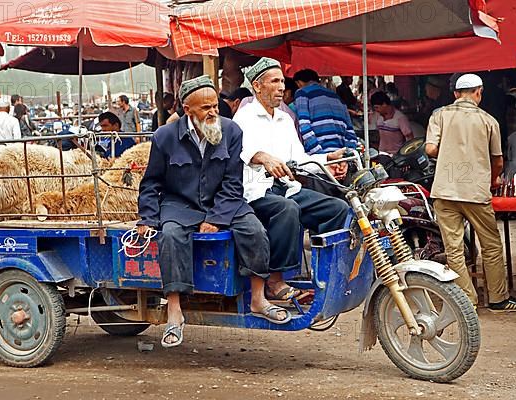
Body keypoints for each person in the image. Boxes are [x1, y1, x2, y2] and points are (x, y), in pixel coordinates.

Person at [137, 75, 291, 348]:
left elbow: (233, 182)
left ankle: (258, 298)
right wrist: (147, 218)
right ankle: (174, 309)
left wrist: (216, 219)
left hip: (224, 202)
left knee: (254, 229)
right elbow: (151, 183)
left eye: (215, 106)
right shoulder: (164, 136)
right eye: (205, 108)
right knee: (170, 235)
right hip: (180, 204)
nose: (213, 112)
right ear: (187, 110)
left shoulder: (231, 132)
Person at [234, 58, 349, 301]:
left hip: (287, 187)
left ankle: (323, 275)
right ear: (257, 86)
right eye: (274, 81)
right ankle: (274, 281)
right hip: (257, 191)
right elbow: (242, 151)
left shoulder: (286, 119)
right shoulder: (245, 117)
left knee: (337, 208)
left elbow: (300, 158)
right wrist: (263, 157)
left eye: (282, 81)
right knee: (287, 209)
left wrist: (329, 158)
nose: (281, 87)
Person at [425, 74, 516, 313]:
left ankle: (466, 302)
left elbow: (430, 148)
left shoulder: (438, 115)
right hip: (475, 192)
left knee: (454, 249)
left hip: (445, 190)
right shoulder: (488, 120)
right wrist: (492, 178)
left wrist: (450, 153)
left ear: (455, 94)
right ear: (479, 92)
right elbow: (499, 162)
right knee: (491, 245)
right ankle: (498, 299)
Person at [293, 69, 357, 155]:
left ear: (299, 83)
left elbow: (304, 125)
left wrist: (320, 155)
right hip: (341, 158)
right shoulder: (336, 97)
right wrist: (346, 156)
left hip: (320, 159)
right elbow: (350, 132)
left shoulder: (302, 93)